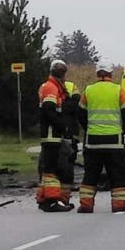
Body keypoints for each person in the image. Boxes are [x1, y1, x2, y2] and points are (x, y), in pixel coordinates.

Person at [76, 60, 125, 213]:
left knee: (90, 175)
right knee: (117, 175)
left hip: (93, 142)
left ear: (97, 74)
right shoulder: (118, 90)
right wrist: (124, 129)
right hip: (114, 142)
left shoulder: (88, 90)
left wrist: (87, 128)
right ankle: (119, 205)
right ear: (110, 74)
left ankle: (86, 205)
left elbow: (80, 112)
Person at [36, 60, 75, 212]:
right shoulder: (51, 87)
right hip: (52, 135)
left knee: (48, 169)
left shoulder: (51, 86)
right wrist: (62, 125)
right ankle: (51, 201)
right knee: (52, 170)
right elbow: (49, 109)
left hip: (51, 135)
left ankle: (44, 199)